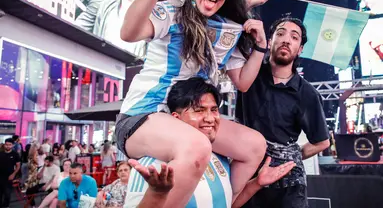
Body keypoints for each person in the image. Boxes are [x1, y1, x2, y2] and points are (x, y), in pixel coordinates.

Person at [116, 0, 273, 208]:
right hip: (143, 116)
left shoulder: (228, 30)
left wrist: (261, 46)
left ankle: (226, 202)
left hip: (191, 121)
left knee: (255, 145)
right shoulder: (172, 13)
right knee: (199, 146)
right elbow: (128, 33)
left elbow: (242, 83)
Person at [125, 78, 295, 208]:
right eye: (199, 111)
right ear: (176, 119)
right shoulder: (153, 166)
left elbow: (228, 203)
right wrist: (157, 193)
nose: (210, 118)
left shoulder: (219, 158)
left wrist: (256, 184)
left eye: (213, 110)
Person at [236, 17, 330, 208]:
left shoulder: (308, 94)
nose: (286, 40)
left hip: (288, 186)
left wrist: (287, 158)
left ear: (300, 49)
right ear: (269, 42)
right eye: (280, 33)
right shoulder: (249, 75)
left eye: (294, 37)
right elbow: (230, 40)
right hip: (246, 176)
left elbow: (322, 142)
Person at [0, 138, 21, 208]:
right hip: (0, 176)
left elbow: (18, 166)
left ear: (12, 145)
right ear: (4, 145)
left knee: (7, 193)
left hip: (9, 177)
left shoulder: (15, 154)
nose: (8, 146)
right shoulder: (1, 153)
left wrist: (13, 174)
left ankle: (6, 206)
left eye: (9, 145)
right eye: (6, 145)